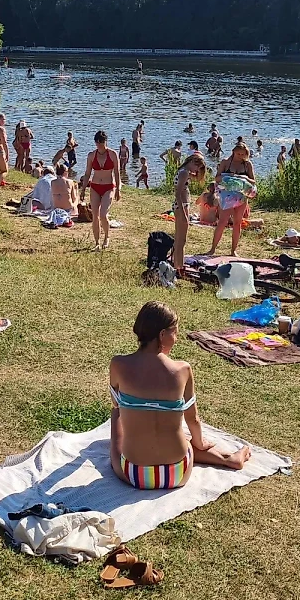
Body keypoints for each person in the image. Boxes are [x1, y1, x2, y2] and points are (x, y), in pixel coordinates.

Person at [109, 302, 251, 491]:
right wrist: (198, 443)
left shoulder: (118, 364)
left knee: (116, 415)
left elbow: (118, 406)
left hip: (135, 473)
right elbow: (193, 419)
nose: (176, 338)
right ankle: (228, 459)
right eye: (174, 332)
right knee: (181, 435)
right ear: (161, 334)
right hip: (178, 472)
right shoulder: (182, 370)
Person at [209, 142, 256, 257]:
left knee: (237, 222)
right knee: (222, 222)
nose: (240, 156)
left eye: (243, 154)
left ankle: (233, 250)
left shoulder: (247, 164)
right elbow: (217, 178)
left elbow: (253, 181)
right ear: (233, 151)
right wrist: (229, 177)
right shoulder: (226, 162)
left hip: (241, 196)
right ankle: (212, 249)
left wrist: (243, 177)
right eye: (238, 154)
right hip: (227, 196)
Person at [80, 131, 121, 250]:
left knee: (103, 214)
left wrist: (118, 189)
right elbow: (87, 173)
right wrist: (83, 189)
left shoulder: (113, 154)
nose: (99, 145)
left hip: (108, 186)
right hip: (95, 186)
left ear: (105, 142)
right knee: (95, 215)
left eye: (102, 142)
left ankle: (107, 237)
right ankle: (97, 243)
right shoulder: (91, 155)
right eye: (97, 143)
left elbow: (117, 173)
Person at [172, 152, 208, 274]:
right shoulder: (184, 173)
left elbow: (198, 179)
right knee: (181, 240)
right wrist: (183, 213)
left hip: (181, 205)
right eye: (197, 167)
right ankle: (179, 266)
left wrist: (201, 170)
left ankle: (177, 264)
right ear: (192, 163)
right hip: (181, 206)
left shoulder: (184, 171)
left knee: (179, 239)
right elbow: (178, 193)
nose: (197, 170)